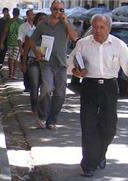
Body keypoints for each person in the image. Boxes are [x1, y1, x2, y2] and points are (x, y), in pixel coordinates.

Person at [67, 14, 128, 177]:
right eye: (95, 27)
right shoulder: (83, 44)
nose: (98, 31)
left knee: (109, 127)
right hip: (89, 87)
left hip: (109, 87)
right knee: (88, 126)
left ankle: (100, 154)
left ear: (109, 28)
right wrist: (75, 71)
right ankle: (88, 165)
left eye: (102, 27)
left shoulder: (118, 45)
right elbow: (70, 64)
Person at [26, 0, 77, 130]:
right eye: (56, 9)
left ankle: (52, 120)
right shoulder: (43, 24)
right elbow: (31, 41)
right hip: (46, 63)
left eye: (61, 10)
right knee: (46, 89)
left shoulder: (65, 24)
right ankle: (42, 116)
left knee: (60, 93)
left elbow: (74, 37)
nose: (58, 12)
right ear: (51, 9)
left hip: (61, 64)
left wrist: (66, 22)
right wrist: (37, 51)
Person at [22, 12, 47, 114]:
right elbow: (26, 50)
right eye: (40, 19)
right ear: (36, 22)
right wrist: (24, 64)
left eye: (44, 20)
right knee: (34, 85)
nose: (43, 21)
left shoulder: (49, 35)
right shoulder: (30, 34)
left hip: (46, 64)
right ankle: (34, 108)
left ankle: (43, 108)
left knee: (45, 87)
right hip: (33, 62)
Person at [0, 8, 23, 79]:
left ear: (13, 13)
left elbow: (5, 32)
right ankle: (13, 74)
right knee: (16, 59)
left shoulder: (9, 22)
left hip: (9, 42)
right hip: (18, 43)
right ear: (19, 13)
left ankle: (10, 73)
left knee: (10, 58)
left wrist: (2, 42)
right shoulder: (21, 22)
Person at [18, 9, 36, 92]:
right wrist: (21, 48)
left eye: (33, 14)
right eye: (30, 15)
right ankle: (27, 86)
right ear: (27, 16)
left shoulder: (37, 26)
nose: (32, 16)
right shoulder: (23, 27)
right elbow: (20, 38)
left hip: (35, 49)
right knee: (25, 67)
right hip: (26, 49)